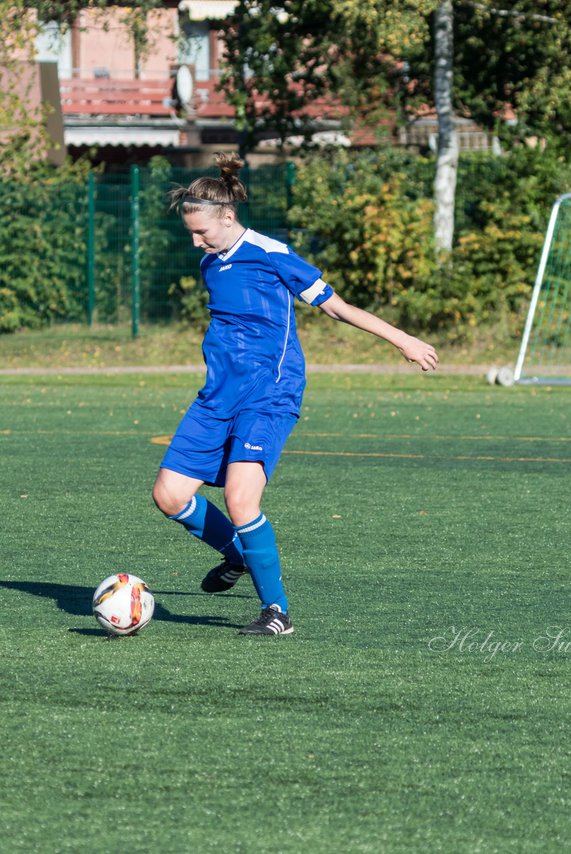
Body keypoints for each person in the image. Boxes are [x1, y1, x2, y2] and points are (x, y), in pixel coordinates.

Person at [152, 153, 439, 636]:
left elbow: (338, 308)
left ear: (228, 216)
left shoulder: (272, 254)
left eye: (202, 231)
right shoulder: (211, 263)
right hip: (217, 396)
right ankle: (239, 556)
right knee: (169, 494)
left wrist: (403, 340)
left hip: (270, 393)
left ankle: (276, 612)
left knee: (242, 501)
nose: (195, 241)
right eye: (190, 233)